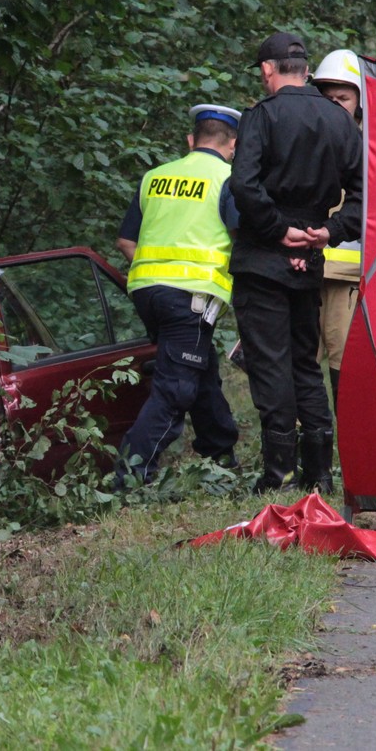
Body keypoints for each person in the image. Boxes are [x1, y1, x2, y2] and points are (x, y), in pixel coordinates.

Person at [229, 32, 363, 494]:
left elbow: (244, 186)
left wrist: (275, 228)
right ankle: (321, 474)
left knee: (270, 364)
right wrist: (330, 231)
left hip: (263, 258)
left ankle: (279, 475)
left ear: (268, 70)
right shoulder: (342, 123)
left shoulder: (261, 117)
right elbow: (367, 196)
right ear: (305, 70)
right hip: (312, 252)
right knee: (306, 364)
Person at [113, 103, 242, 486]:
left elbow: (125, 241)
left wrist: (159, 273)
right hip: (192, 297)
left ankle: (219, 453)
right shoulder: (229, 179)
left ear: (191, 140)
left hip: (146, 293)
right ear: (233, 144)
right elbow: (241, 238)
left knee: (198, 367)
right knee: (176, 388)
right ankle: (132, 475)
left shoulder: (155, 176)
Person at [310, 49, 365, 404]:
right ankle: (303, 447)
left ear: (360, 102)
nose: (334, 105)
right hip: (307, 268)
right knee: (300, 363)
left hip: (350, 278)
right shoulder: (305, 136)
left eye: (342, 98)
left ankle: (348, 445)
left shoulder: (374, 146)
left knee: (345, 361)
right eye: (327, 97)